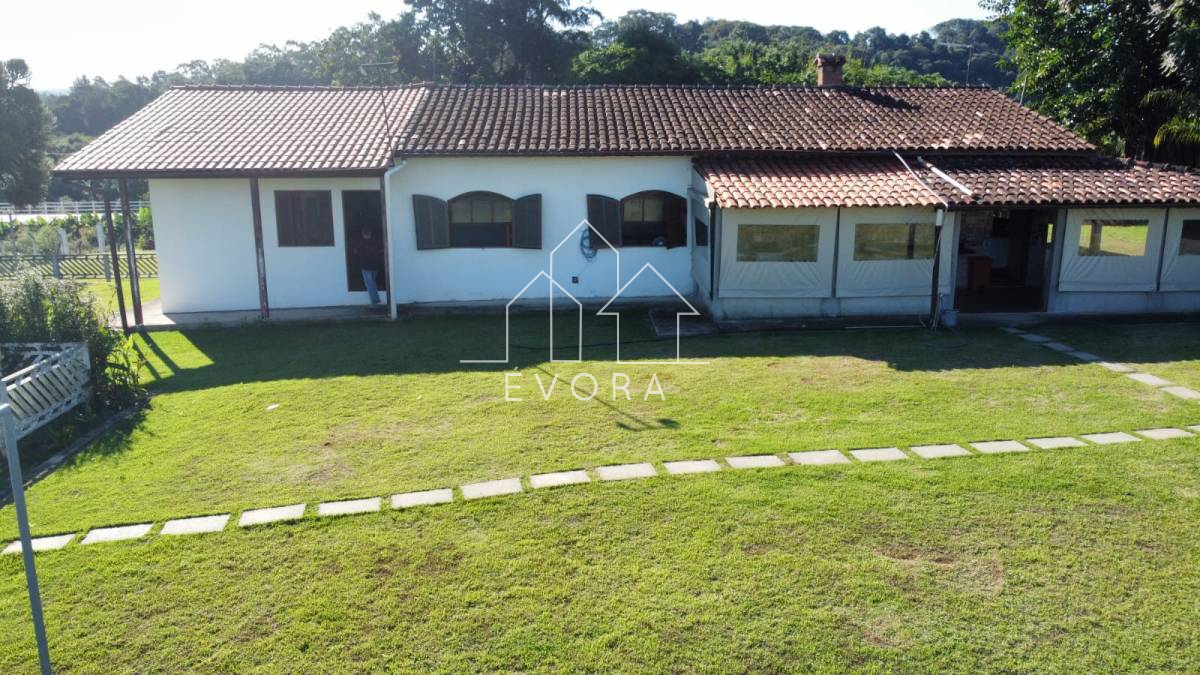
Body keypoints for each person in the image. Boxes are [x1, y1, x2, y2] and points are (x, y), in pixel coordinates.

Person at [354, 228, 385, 305]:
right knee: (372, 282)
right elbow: (382, 251)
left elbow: (356, 253)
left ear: (363, 234)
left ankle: (375, 300)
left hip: (366, 266)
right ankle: (376, 299)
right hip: (376, 266)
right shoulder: (376, 242)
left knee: (369, 284)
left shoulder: (360, 243)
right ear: (370, 234)